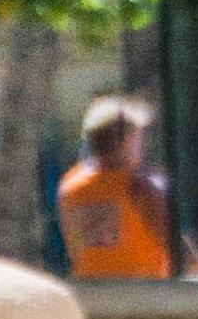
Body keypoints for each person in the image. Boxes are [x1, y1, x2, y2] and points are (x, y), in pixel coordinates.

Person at [56, 97, 189, 284]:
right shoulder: (141, 186)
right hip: (141, 297)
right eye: (138, 137)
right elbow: (183, 254)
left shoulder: (69, 185)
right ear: (127, 141)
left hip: (89, 294)